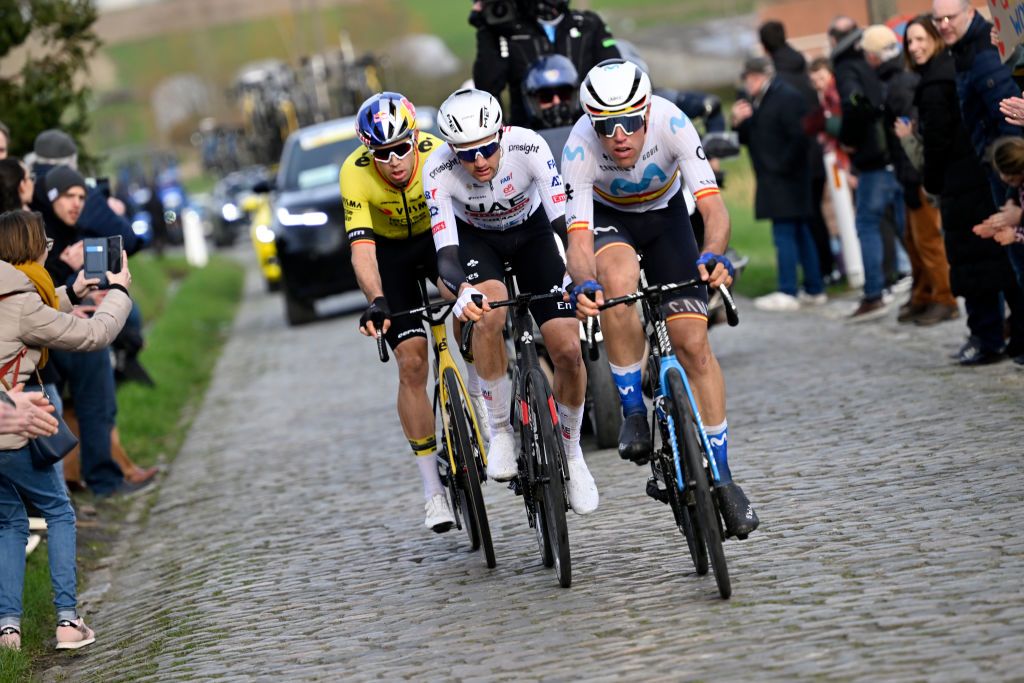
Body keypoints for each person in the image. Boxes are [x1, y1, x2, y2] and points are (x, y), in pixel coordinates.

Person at [563, 59, 758, 538]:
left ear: (646, 112)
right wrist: (585, 283)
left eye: (630, 121)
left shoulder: (673, 123)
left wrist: (714, 255)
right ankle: (632, 409)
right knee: (617, 279)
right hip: (612, 222)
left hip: (667, 217)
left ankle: (725, 479)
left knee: (693, 345)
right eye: (606, 126)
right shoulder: (578, 148)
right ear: (592, 123)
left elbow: (712, 207)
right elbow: (580, 241)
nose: (620, 136)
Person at [423, 88, 599, 514]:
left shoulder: (528, 146)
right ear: (452, 151)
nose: (479, 161)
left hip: (534, 234)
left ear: (500, 134)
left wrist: (579, 278)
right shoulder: (438, 169)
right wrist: (465, 291)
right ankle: (500, 430)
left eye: (486, 148)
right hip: (477, 242)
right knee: (488, 312)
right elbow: (445, 254)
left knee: (568, 351)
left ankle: (573, 455)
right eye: (467, 154)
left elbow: (563, 223)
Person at [0, 208, 133, 652]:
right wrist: (117, 292)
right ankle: (67, 621)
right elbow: (93, 335)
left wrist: (74, 288)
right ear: (32, 249)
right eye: (46, 245)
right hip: (14, 429)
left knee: (10, 523)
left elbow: (31, 312)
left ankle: (8, 631)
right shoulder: (22, 303)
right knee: (58, 512)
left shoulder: (11, 294)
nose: (48, 250)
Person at [341, 92, 458, 532]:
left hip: (437, 238)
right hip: (390, 253)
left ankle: (491, 405)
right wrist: (376, 299)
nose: (393, 162)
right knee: (411, 362)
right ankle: (433, 492)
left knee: (468, 306)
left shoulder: (436, 154)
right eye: (381, 154)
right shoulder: (353, 175)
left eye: (401, 148)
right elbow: (362, 250)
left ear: (415, 139)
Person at [907, 15, 1024, 365]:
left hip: (979, 174)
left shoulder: (973, 60)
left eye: (920, 38)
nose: (915, 46)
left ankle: (993, 335)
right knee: (993, 256)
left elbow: (997, 122)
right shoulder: (959, 60)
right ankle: (1001, 334)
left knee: (988, 259)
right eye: (910, 41)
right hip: (978, 174)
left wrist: (1008, 174)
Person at [863, 24, 958, 326]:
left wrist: (913, 176)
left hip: (915, 173)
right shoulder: (898, 80)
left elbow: (907, 134)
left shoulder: (900, 84)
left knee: (928, 240)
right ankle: (924, 294)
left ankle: (944, 297)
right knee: (914, 239)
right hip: (909, 173)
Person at [933, 0, 1024, 294]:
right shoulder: (968, 50)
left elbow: (1008, 119)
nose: (944, 24)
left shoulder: (982, 55)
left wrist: (1011, 185)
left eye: (949, 17)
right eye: (938, 19)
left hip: (1007, 169)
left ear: (969, 13)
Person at [732, 56, 824, 312]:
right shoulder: (757, 100)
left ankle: (788, 289)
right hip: (774, 177)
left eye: (748, 78)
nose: (746, 84)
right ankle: (814, 288)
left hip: (789, 177)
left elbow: (800, 137)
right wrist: (738, 122)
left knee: (785, 233)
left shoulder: (787, 97)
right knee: (799, 232)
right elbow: (748, 138)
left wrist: (780, 167)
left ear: (758, 77)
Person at [830, 16, 907, 321]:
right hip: (893, 153)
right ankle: (923, 283)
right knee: (904, 224)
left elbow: (853, 104)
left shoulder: (847, 67)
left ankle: (874, 291)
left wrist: (848, 139)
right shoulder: (877, 63)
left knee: (868, 224)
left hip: (873, 156)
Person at [472, 0, 619, 126]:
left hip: (585, 128)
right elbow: (487, 87)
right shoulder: (507, 31)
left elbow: (614, 75)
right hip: (527, 137)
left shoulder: (589, 25)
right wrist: (486, 30)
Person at [522, 54, 580, 130]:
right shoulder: (522, 140)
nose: (556, 101)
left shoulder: (592, 135)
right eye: (546, 96)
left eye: (564, 94)